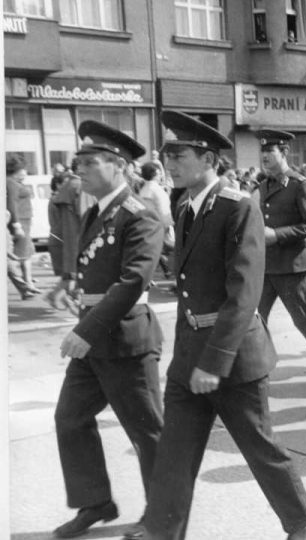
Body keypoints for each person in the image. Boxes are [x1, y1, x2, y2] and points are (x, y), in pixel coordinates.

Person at [143, 111, 306, 540]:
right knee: (175, 452)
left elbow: (244, 293)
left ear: (207, 158)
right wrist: (192, 356)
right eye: (168, 154)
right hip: (190, 353)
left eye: (179, 154)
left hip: (232, 356)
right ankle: (162, 531)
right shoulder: (184, 204)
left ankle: (302, 519)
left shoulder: (238, 207)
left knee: (259, 447)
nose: (170, 162)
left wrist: (214, 362)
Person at [46, 121, 165, 539]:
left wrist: (86, 329)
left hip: (126, 340)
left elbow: (133, 281)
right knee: (69, 419)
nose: (81, 169)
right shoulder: (96, 211)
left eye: (90, 162)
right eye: (78, 162)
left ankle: (162, 513)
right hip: (94, 338)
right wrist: (67, 283)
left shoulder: (139, 215)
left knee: (147, 432)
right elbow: (91, 268)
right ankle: (95, 502)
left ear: (119, 166)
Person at [251, 130, 306, 397]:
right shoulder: (263, 186)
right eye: (262, 153)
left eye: (269, 153)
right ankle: (256, 369)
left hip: (292, 266)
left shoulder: (300, 184)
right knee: (255, 318)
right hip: (266, 266)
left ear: (283, 153)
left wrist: (277, 235)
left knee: (303, 319)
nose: (264, 158)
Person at [7, 155, 40, 298]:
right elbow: (12, 204)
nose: (25, 172)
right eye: (23, 169)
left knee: (26, 253)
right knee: (22, 254)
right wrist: (16, 224)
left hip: (24, 220)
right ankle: (26, 285)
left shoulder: (14, 182)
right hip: (20, 221)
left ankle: (27, 284)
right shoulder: (11, 183)